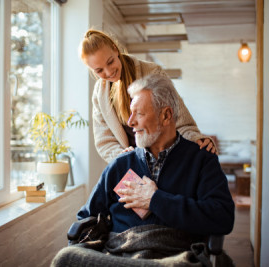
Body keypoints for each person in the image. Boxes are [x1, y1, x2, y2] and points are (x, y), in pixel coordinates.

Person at [51, 74, 234, 267]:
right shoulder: (121, 164)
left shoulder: (201, 160)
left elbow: (222, 218)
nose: (130, 122)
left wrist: (155, 200)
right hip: (119, 255)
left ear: (166, 115)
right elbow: (86, 216)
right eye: (130, 113)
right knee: (66, 257)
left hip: (173, 256)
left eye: (139, 114)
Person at [79, 29, 217, 163]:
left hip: (165, 160)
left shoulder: (152, 72)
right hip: (131, 166)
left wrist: (196, 139)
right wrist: (121, 157)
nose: (109, 72)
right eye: (99, 70)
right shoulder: (99, 93)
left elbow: (179, 119)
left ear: (115, 49)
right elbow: (104, 141)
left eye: (110, 62)